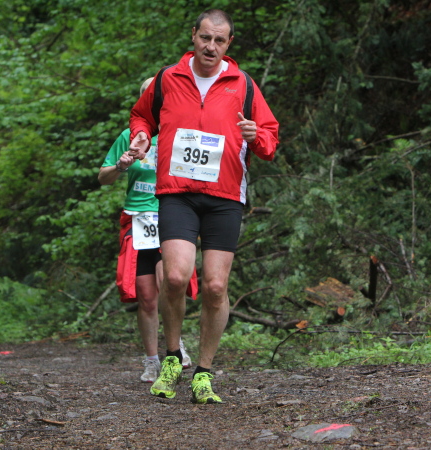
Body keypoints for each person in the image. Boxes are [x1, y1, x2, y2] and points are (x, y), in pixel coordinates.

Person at [129, 9, 279, 404]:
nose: (211, 47)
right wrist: (142, 136)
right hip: (177, 192)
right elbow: (141, 116)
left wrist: (256, 135)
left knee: (214, 286)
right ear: (193, 36)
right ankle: (173, 358)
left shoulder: (243, 85)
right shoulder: (167, 78)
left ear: (229, 44)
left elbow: (269, 141)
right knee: (176, 277)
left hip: (224, 197)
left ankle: (204, 373)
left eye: (219, 40)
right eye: (205, 38)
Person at [99, 78, 197, 383]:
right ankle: (152, 360)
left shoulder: (179, 133)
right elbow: (103, 177)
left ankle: (176, 346)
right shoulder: (129, 137)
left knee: (169, 281)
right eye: (149, 96)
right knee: (146, 296)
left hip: (171, 214)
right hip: (138, 219)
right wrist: (121, 165)